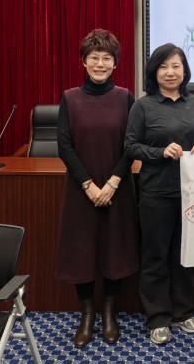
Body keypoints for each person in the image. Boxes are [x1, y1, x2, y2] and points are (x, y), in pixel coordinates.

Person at [54, 29, 139, 348]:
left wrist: (113, 183)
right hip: (81, 191)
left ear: (115, 63)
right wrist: (89, 185)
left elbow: (131, 144)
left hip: (118, 188)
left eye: (106, 58)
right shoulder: (70, 98)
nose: (100, 64)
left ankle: (109, 312)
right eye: (94, 57)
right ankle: (87, 315)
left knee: (115, 249)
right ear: (83, 61)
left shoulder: (126, 98)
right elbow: (64, 145)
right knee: (82, 251)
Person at [124, 43, 194, 345]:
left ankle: (183, 312)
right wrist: (160, 151)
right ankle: (158, 317)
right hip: (156, 193)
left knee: (185, 255)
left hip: (192, 192)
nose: (170, 72)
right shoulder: (143, 106)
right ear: (154, 72)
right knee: (156, 256)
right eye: (163, 66)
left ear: (184, 71)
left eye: (176, 66)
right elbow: (130, 146)